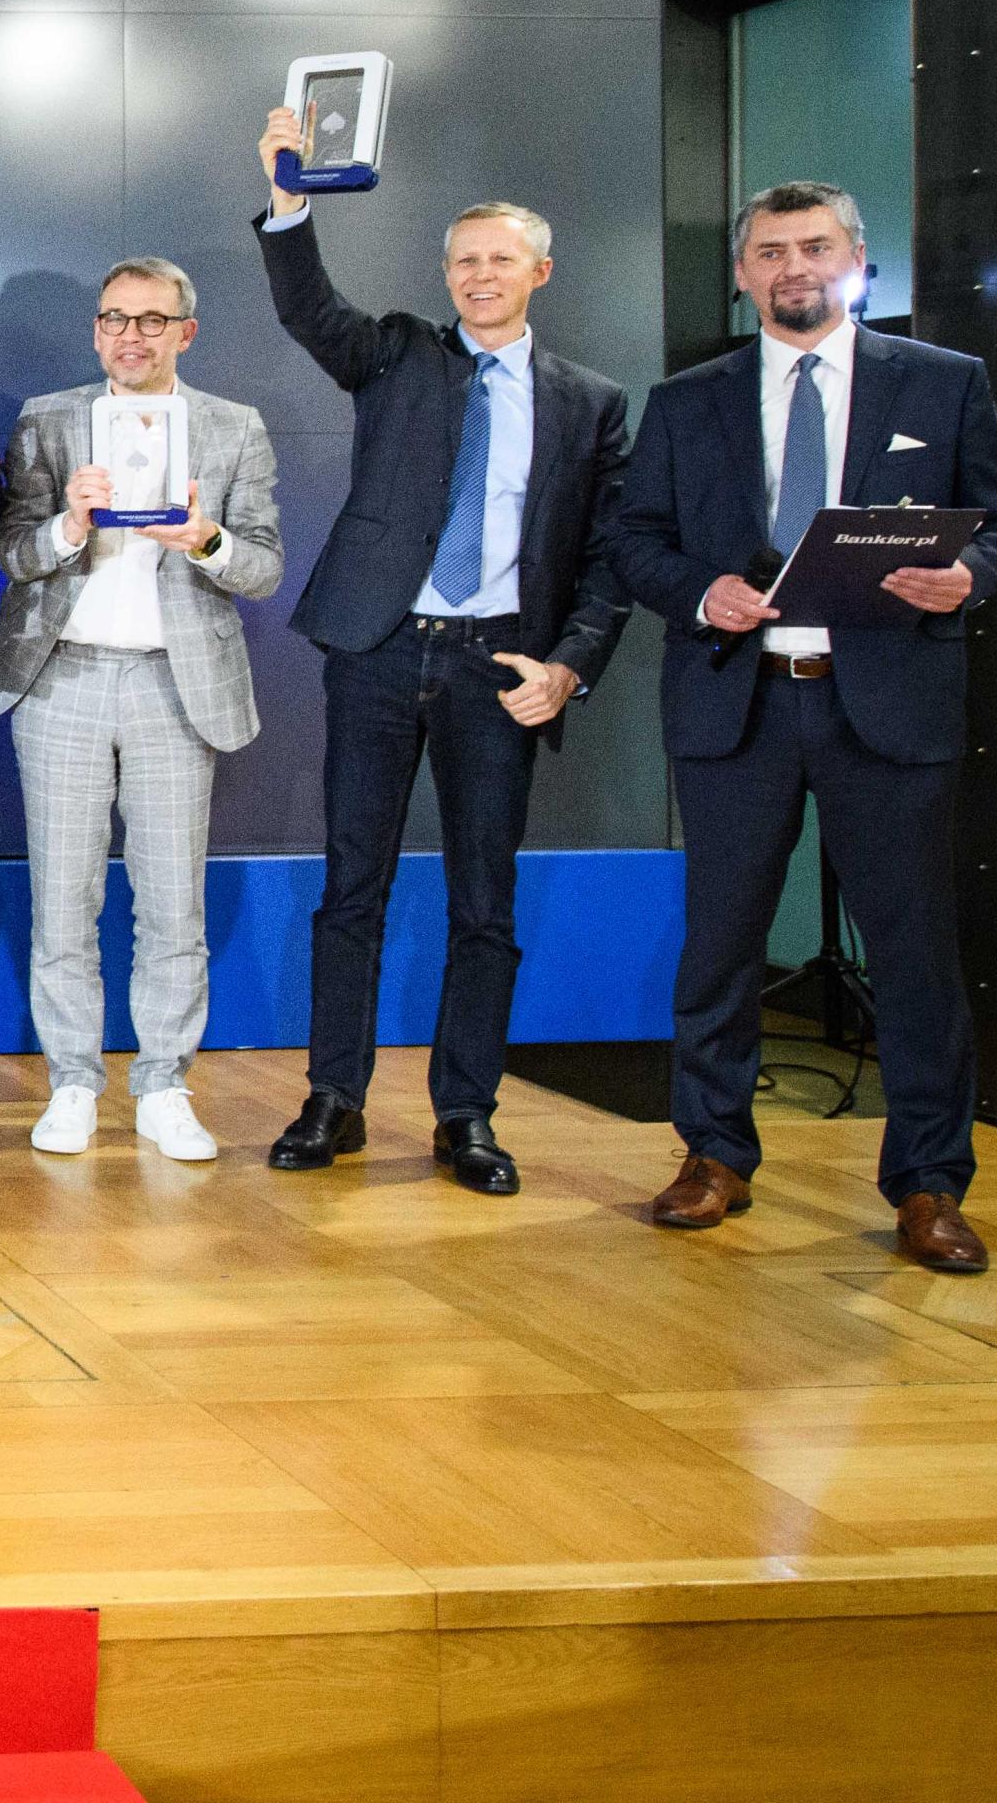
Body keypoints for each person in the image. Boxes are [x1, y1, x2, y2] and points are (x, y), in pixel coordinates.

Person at [603, 181, 997, 1272]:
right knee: (720, 946)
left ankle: (930, 1183)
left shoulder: (942, 382)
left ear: (856, 260)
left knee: (915, 952)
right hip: (736, 703)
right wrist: (702, 592)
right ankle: (714, 1154)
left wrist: (969, 577)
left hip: (888, 704)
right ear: (742, 273)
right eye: (770, 250)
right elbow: (635, 541)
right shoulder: (686, 399)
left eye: (814, 246)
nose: (793, 266)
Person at [253, 113, 631, 1195]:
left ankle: (467, 1114)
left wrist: (568, 664)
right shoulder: (398, 353)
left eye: (499, 260)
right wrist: (288, 200)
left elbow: (609, 556)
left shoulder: (591, 403)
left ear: (539, 273)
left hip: (499, 668)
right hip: (378, 649)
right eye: (463, 260)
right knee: (351, 888)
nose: (478, 277)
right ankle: (334, 1098)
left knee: (484, 904)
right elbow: (311, 309)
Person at [0, 258, 282, 1162]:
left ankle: (164, 1085)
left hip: (174, 684)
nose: (131, 336)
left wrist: (207, 540)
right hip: (61, 678)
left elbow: (263, 567)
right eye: (115, 319)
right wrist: (69, 526)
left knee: (172, 902)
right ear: (97, 330)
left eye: (153, 321)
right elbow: (12, 553)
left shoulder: (233, 427)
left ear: (186, 332)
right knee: (62, 898)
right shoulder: (49, 419)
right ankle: (72, 1081)